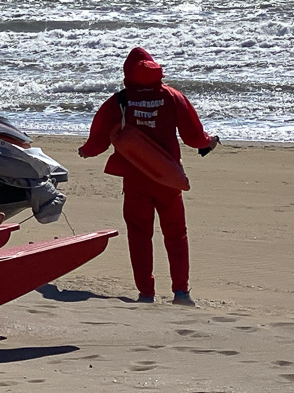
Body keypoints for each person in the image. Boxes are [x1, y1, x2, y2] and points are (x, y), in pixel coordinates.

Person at [79, 47, 219, 306]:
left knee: (140, 235)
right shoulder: (172, 97)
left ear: (127, 75)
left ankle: (146, 294)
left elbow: (98, 138)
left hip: (135, 181)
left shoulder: (120, 101)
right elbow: (193, 136)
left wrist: (86, 151)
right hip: (168, 179)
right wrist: (209, 142)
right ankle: (181, 293)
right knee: (176, 235)